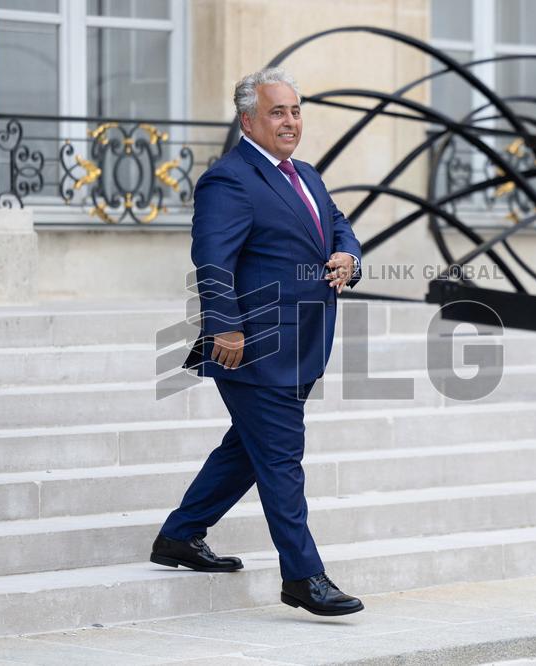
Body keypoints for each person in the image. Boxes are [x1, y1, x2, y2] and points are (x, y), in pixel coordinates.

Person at [151, 67, 364, 616]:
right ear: (248, 120)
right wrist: (226, 326)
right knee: (281, 458)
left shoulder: (307, 174)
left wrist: (348, 256)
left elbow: (338, 225)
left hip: (305, 341)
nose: (290, 121)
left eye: (295, 110)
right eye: (277, 111)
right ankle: (303, 577)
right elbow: (212, 259)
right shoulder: (230, 179)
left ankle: (179, 536)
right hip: (254, 346)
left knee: (248, 449)